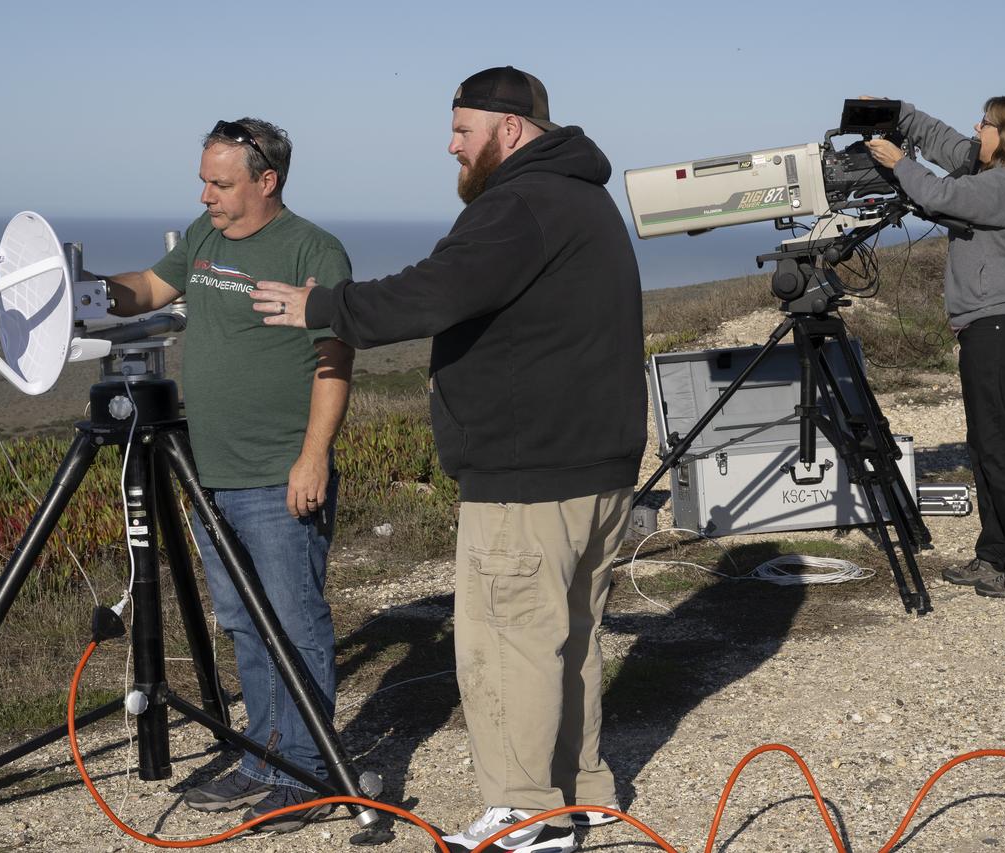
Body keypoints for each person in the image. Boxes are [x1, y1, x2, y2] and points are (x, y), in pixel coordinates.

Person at [249, 67, 647, 853]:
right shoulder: (580, 196)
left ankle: (526, 814)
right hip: (592, 465)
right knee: (564, 637)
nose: (452, 146)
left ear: (509, 129)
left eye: (463, 131)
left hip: (528, 470)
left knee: (506, 643)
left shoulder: (520, 202)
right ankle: (582, 793)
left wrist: (324, 307)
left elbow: (437, 290)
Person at [99, 117, 354, 833]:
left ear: (266, 180)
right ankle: (263, 758)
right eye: (203, 179)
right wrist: (83, 290)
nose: (205, 193)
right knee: (244, 620)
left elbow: (336, 358)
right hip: (209, 472)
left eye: (220, 181)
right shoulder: (206, 235)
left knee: (295, 623)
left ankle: (311, 774)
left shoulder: (312, 249)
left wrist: (315, 455)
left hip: (280, 474)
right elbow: (150, 286)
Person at [866, 96, 1005, 599]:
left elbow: (937, 195)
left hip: (1001, 328)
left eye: (987, 123)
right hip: (990, 328)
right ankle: (994, 557)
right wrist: (897, 110)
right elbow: (946, 144)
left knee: (1000, 448)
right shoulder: (991, 173)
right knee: (986, 446)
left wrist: (897, 161)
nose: (978, 128)